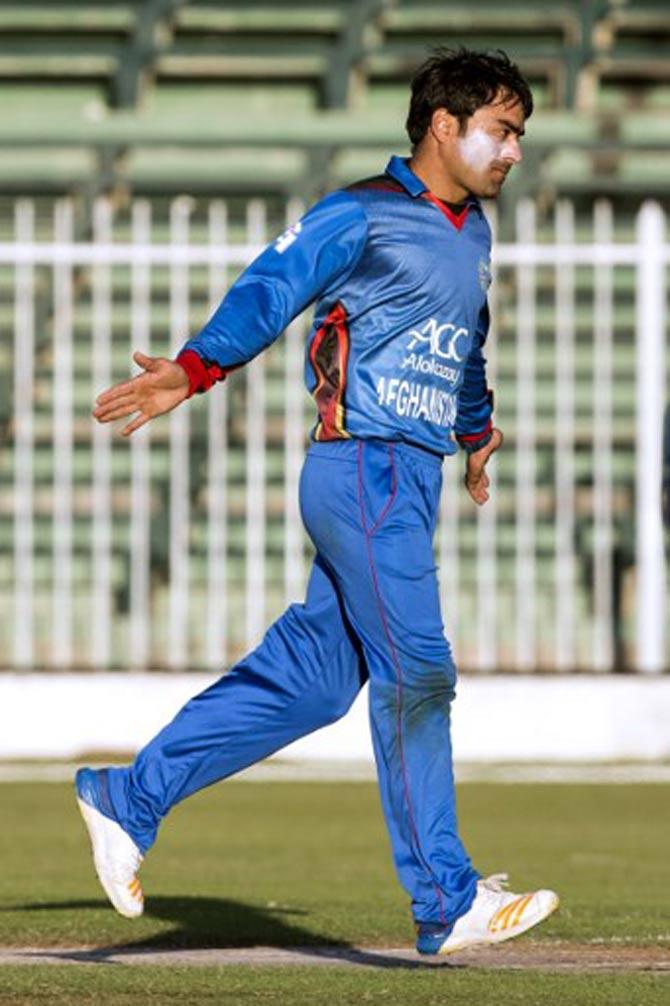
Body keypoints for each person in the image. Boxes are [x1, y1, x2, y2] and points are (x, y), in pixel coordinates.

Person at [76, 47, 559, 956]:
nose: (515, 154)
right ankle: (444, 896)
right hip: (363, 470)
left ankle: (126, 797)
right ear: (444, 127)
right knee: (420, 671)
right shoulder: (360, 214)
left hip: (408, 477)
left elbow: (465, 340)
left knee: (316, 679)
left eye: (520, 136)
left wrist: (476, 426)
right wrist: (195, 366)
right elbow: (272, 287)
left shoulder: (473, 233)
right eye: (504, 133)